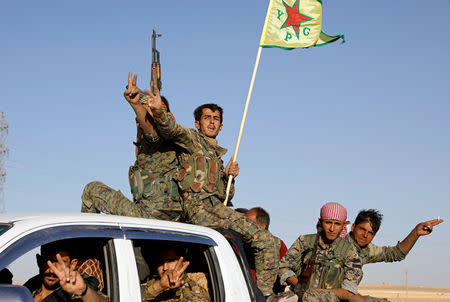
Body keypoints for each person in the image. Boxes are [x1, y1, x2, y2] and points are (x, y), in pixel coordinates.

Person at [146, 86, 296, 302]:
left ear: (221, 125)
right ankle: (263, 297)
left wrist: (228, 178)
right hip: (197, 209)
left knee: (266, 241)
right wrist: (159, 111)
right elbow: (171, 130)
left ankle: (263, 295)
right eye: (207, 117)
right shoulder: (191, 140)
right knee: (259, 239)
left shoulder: (217, 156)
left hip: (216, 208)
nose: (212, 121)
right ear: (197, 123)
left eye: (216, 118)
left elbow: (226, 196)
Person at [81, 72, 182, 221]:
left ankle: (88, 241)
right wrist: (139, 127)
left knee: (92, 190)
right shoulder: (173, 139)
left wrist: (136, 104)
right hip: (170, 214)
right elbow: (143, 144)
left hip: (151, 214)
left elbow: (151, 133)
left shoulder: (159, 134)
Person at [280, 202, 363, 302]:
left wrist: (316, 293)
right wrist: (300, 286)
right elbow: (283, 267)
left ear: (344, 225)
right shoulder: (305, 242)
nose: (332, 229)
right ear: (321, 221)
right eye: (328, 222)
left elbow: (349, 291)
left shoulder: (349, 250)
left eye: (337, 224)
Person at [347, 209, 443, 266]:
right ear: (353, 227)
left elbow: (396, 254)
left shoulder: (367, 250)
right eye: (362, 229)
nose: (365, 235)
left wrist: (415, 233)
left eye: (370, 233)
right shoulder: (337, 242)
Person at [26, 241, 106, 302]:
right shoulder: (30, 287)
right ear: (39, 261)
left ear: (72, 264)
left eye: (61, 262)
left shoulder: (76, 287)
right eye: (48, 261)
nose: (52, 270)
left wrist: (84, 292)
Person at [140, 246, 210, 301]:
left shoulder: (196, 294)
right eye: (160, 262)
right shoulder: (150, 283)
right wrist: (159, 286)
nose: (165, 267)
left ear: (184, 262)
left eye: (170, 261)